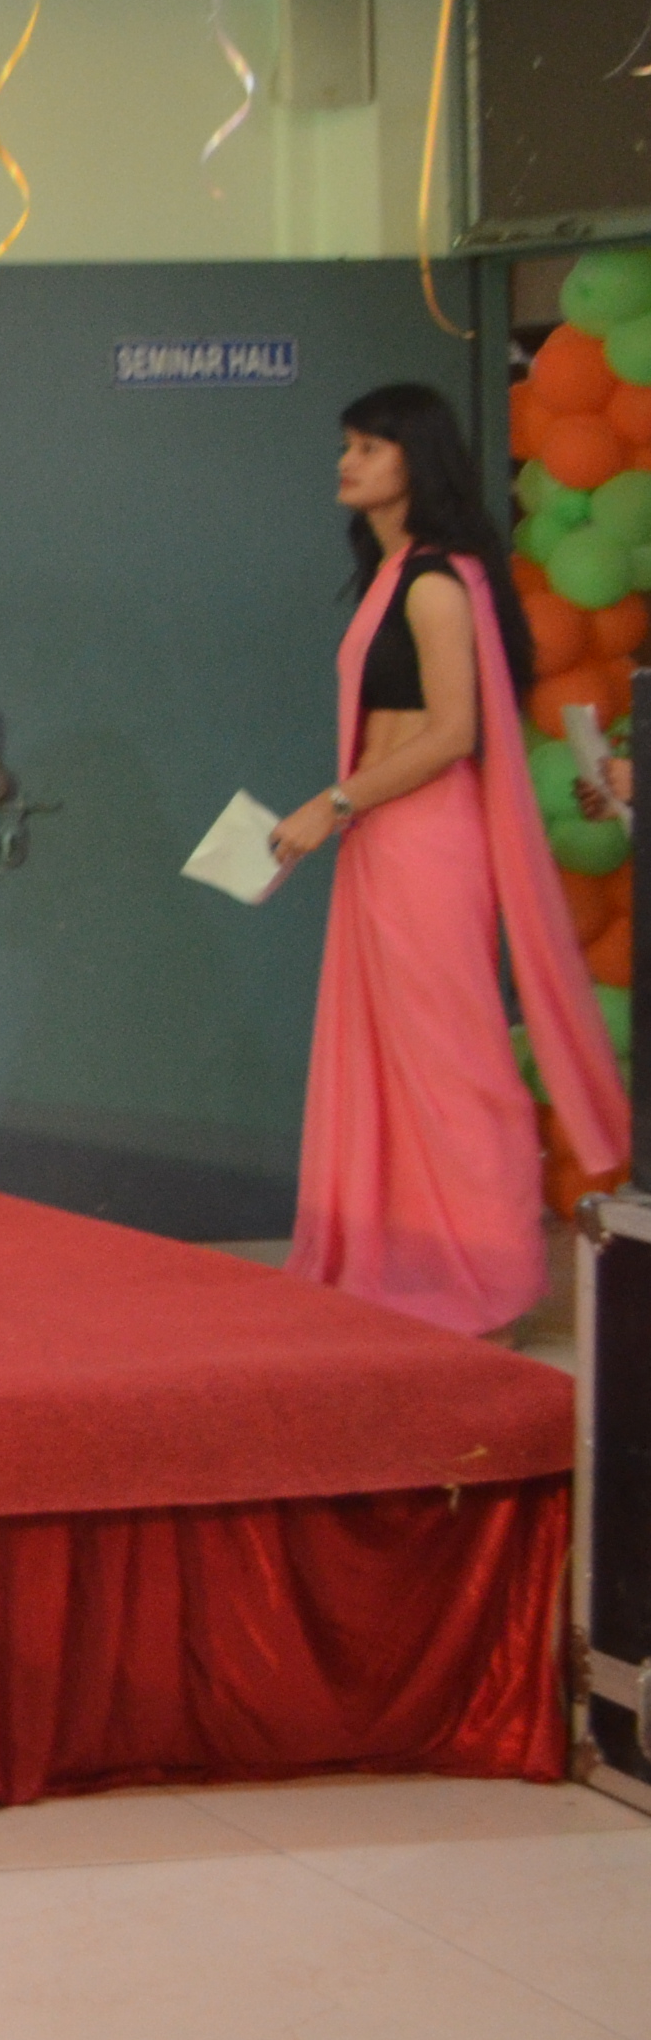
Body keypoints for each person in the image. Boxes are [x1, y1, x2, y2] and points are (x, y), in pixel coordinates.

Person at [266, 380, 621, 1335]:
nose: (347, 462)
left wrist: (333, 801)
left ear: (414, 461)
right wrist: (347, 810)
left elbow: (454, 731)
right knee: (391, 1062)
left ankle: (495, 1280)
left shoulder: (433, 580)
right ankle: (407, 1267)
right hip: (382, 839)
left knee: (456, 1064)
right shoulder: (393, 573)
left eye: (369, 447)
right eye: (347, 444)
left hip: (426, 840)